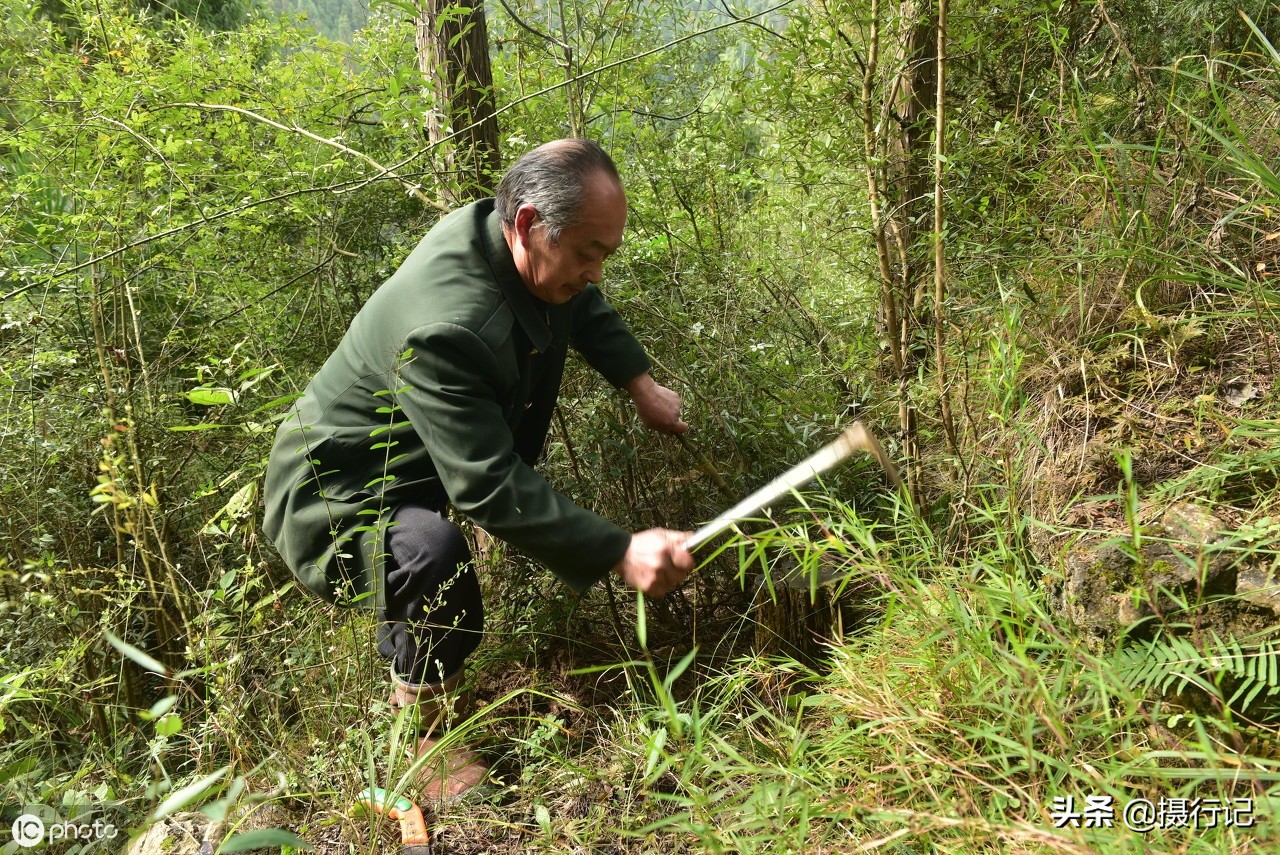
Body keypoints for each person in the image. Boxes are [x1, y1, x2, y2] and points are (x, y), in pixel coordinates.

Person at [262, 139, 694, 799]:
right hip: (335, 488)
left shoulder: (505, 239)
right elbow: (488, 485)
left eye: (606, 253)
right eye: (588, 253)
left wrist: (639, 383)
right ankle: (422, 733)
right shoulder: (448, 325)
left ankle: (429, 702)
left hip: (408, 462)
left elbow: (578, 301)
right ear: (527, 224)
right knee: (431, 555)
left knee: (433, 550)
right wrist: (619, 549)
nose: (596, 272)